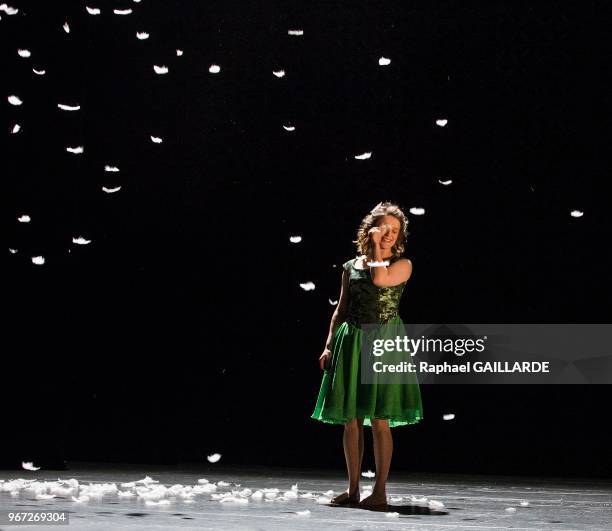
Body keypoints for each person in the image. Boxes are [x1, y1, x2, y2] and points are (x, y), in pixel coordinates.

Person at [311, 201, 424, 508]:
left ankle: (380, 491)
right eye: (385, 228)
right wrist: (329, 344)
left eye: (395, 230)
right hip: (353, 340)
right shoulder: (351, 266)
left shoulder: (403, 265)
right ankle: (352, 489)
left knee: (379, 420)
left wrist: (375, 247)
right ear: (372, 228)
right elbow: (341, 309)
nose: (389, 235)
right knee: (351, 419)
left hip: (384, 341)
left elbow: (379, 280)